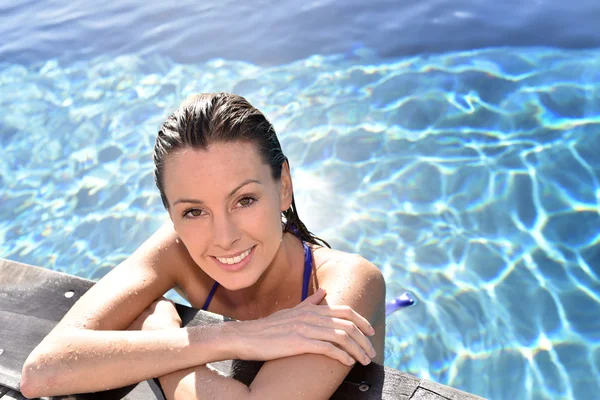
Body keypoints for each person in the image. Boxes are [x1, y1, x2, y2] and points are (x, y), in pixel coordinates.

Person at [20, 93, 386, 399]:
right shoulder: (175, 250)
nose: (224, 237)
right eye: (195, 211)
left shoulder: (346, 281)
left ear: (284, 186)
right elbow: (42, 371)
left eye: (244, 200)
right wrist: (235, 337)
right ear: (171, 214)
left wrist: (162, 337)